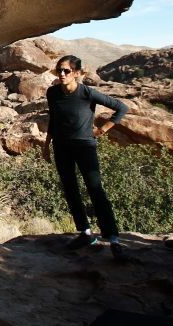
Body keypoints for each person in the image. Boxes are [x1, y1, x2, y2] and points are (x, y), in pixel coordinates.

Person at [42, 55, 129, 260]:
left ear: (77, 73)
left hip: (84, 147)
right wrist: (46, 146)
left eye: (67, 71)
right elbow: (53, 120)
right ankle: (86, 233)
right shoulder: (52, 92)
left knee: (95, 189)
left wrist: (104, 129)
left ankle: (113, 238)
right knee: (70, 190)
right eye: (59, 70)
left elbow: (121, 108)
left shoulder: (87, 93)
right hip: (61, 147)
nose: (62, 74)